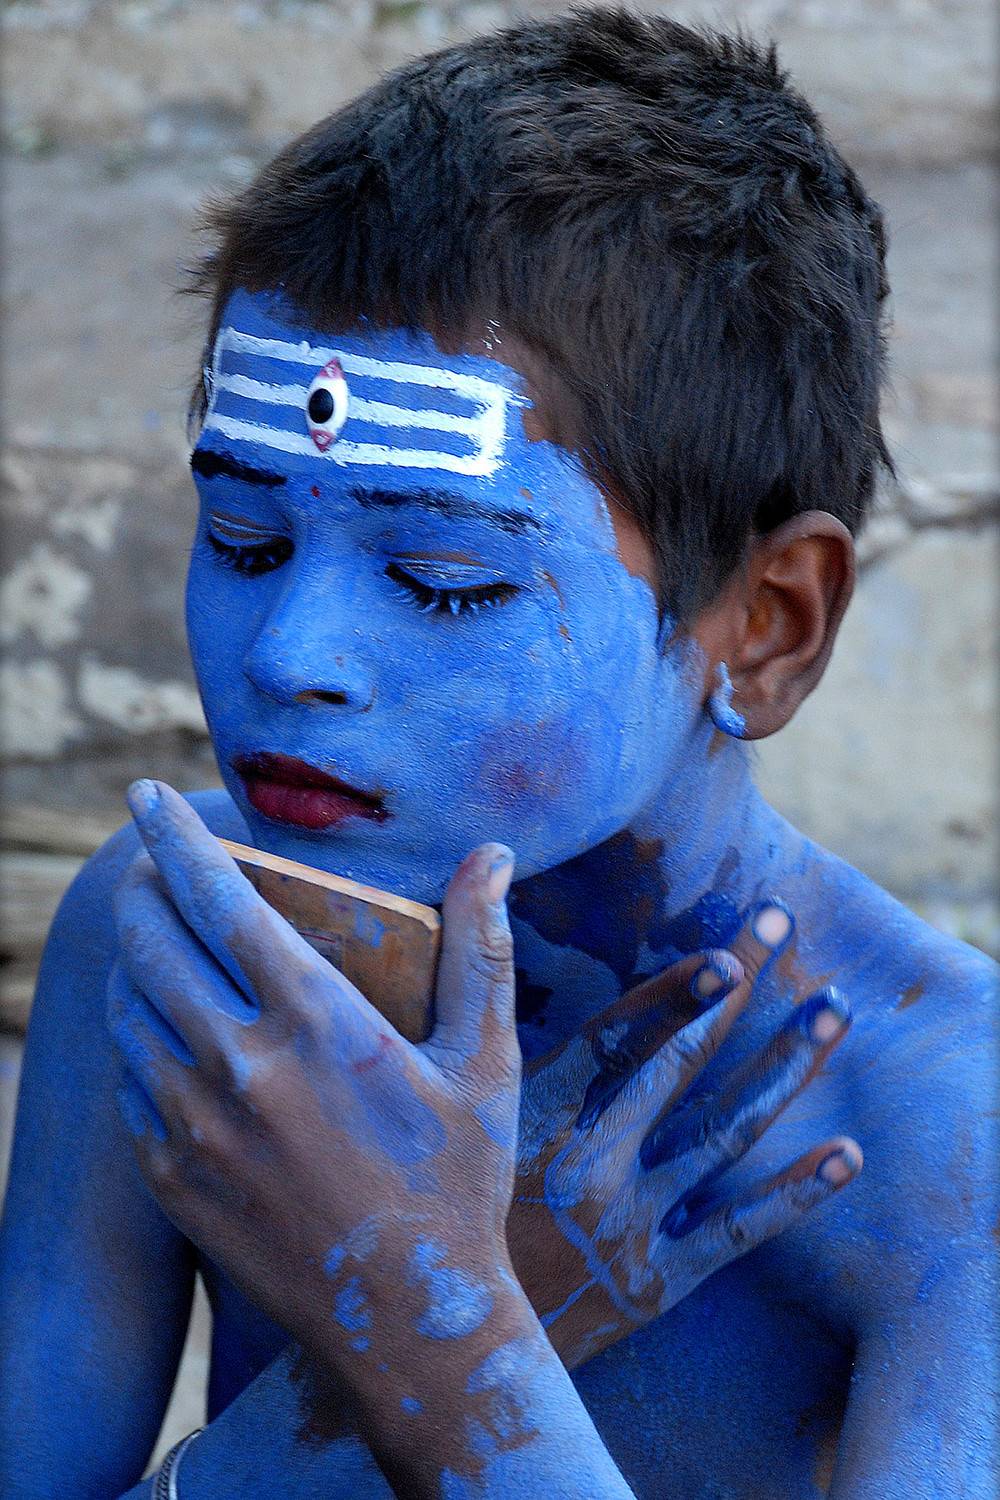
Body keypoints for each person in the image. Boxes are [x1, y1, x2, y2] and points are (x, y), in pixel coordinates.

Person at [1, 10, 995, 1497]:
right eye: (246, 539)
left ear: (766, 625)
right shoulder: (173, 948)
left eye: (446, 582)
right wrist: (420, 1338)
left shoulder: (940, 1129)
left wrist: (445, 1350)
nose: (288, 657)